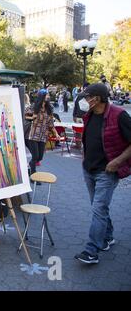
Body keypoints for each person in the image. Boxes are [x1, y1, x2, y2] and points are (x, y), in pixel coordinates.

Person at [74, 84, 131, 264]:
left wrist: (117, 161)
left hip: (106, 172)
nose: (84, 99)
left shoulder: (119, 115)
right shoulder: (89, 115)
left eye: (87, 96)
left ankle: (91, 251)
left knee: (98, 209)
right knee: (99, 207)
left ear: (97, 98)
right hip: (88, 169)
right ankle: (108, 236)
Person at [26, 89, 60, 178]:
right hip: (33, 135)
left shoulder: (49, 108)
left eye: (48, 95)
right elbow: (25, 115)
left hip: (43, 135)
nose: (48, 97)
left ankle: (29, 167)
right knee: (35, 156)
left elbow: (51, 124)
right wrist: (32, 117)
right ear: (42, 97)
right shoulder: (34, 107)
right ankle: (33, 176)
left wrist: (56, 134)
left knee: (40, 157)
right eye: (46, 95)